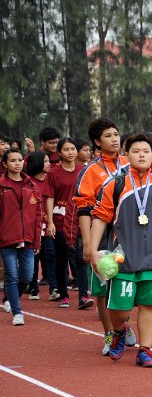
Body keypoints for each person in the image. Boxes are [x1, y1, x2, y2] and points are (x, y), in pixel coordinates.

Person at [90, 132, 152, 367]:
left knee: (149, 306)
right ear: (126, 155)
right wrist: (93, 251)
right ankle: (120, 331)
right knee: (119, 310)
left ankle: (145, 350)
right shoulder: (115, 184)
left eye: (146, 151)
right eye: (136, 151)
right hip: (123, 258)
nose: (141, 155)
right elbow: (100, 218)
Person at [74, 117, 134, 355]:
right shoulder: (91, 170)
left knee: (127, 283)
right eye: (108, 136)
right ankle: (110, 333)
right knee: (101, 288)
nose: (115, 139)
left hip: (128, 233)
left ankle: (122, 324)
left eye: (116, 134)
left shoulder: (130, 164)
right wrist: (89, 244)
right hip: (101, 234)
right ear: (97, 142)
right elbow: (83, 210)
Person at [46, 138, 93, 310]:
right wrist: (50, 221)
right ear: (59, 153)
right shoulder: (54, 173)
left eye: (73, 149)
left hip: (80, 220)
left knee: (81, 258)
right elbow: (50, 197)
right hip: (59, 221)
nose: (71, 152)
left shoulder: (84, 171)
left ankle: (83, 296)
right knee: (62, 259)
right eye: (66, 149)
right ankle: (64, 295)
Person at [0, 148, 42, 326]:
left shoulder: (31, 185)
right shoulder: (1, 186)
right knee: (11, 275)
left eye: (19, 160)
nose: (17, 163)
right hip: (6, 239)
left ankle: (11, 298)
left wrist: (37, 238)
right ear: (4, 164)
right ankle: (17, 312)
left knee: (27, 276)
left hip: (28, 239)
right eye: (13, 161)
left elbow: (38, 214)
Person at [24, 151, 57, 301]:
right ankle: (33, 288)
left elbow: (50, 200)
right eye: (45, 161)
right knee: (34, 257)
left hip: (47, 225)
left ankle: (53, 287)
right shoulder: (28, 182)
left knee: (50, 255)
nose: (49, 163)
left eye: (49, 160)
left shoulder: (50, 180)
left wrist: (50, 222)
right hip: (32, 226)